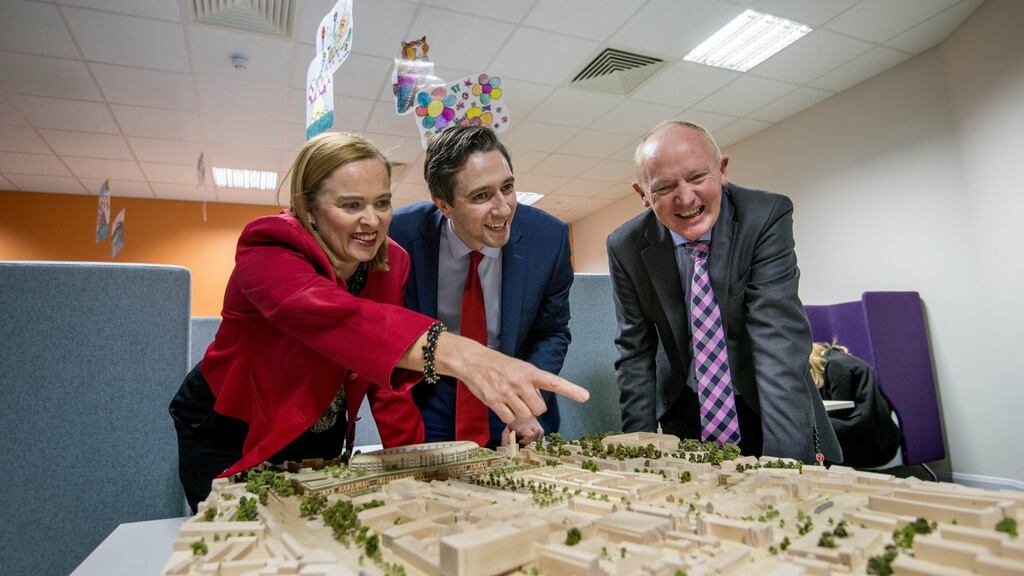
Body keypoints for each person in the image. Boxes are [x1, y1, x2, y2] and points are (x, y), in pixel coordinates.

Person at [169, 132, 588, 511]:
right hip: (236, 428)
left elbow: (385, 382)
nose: (373, 221)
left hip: (323, 433)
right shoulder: (269, 245)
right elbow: (333, 318)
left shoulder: (391, 261)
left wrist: (418, 470)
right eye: (352, 205)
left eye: (382, 203)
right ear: (309, 207)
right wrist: (463, 354)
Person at [606, 120, 841, 463]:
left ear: (723, 170)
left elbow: (777, 342)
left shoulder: (763, 217)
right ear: (643, 194)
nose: (685, 197)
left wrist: (787, 465)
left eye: (698, 177)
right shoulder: (625, 246)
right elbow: (635, 353)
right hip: (685, 413)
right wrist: (638, 453)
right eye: (665, 187)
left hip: (769, 408)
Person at [390, 126, 573, 449]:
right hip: (432, 400)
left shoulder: (548, 238)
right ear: (443, 205)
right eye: (481, 196)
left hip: (515, 403)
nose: (503, 208)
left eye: (507, 187)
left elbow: (552, 331)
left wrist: (524, 403)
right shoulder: (399, 235)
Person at [810, 342, 901, 468]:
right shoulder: (839, 360)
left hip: (867, 429)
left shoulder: (836, 365)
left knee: (814, 426)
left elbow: (842, 408)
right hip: (876, 425)